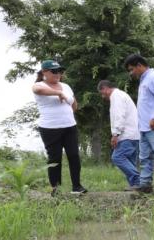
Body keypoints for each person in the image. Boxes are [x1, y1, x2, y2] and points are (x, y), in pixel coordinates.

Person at [32, 60, 87, 196]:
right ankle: (56, 190)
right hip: (50, 128)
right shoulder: (39, 85)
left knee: (74, 155)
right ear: (45, 72)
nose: (58, 74)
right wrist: (59, 93)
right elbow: (38, 90)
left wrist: (69, 109)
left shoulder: (66, 86)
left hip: (69, 126)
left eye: (60, 71)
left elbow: (74, 105)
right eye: (54, 71)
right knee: (55, 158)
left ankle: (77, 186)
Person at [124, 53, 154, 193]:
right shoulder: (144, 81)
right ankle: (145, 184)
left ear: (139, 65)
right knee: (144, 158)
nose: (131, 73)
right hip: (144, 127)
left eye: (132, 69)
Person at [97, 79, 140, 189]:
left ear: (105, 89)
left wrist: (115, 134)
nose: (103, 97)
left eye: (102, 93)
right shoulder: (122, 95)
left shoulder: (116, 96)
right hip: (134, 134)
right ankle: (135, 186)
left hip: (126, 135)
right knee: (130, 160)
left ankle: (138, 179)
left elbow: (119, 116)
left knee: (117, 157)